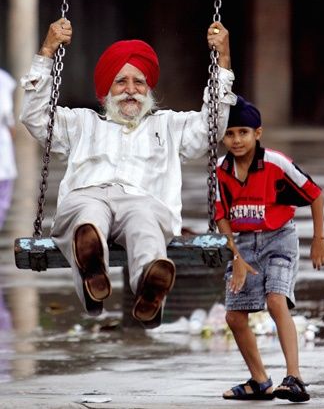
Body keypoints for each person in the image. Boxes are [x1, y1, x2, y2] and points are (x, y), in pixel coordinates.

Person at [20, 18, 236, 328]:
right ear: (106, 89)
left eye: (138, 82)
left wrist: (223, 61)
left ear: (149, 88)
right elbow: (35, 117)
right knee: (87, 216)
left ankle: (151, 286)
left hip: (144, 201)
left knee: (145, 222)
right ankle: (92, 270)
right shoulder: (81, 123)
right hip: (89, 197)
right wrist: (46, 52)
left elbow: (212, 126)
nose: (130, 91)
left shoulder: (169, 126)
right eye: (121, 82)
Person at [215, 96, 324, 402]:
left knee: (276, 300)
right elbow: (221, 216)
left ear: (258, 133)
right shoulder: (219, 170)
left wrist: (319, 238)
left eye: (243, 132)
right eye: (230, 133)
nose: (236, 140)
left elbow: (315, 194)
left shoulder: (276, 163)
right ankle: (260, 381)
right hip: (243, 245)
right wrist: (236, 257)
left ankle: (294, 378)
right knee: (234, 317)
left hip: (279, 238)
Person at [0, 68, 17, 231]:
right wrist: (12, 127)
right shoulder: (3, 79)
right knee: (3, 195)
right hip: (2, 141)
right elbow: (5, 110)